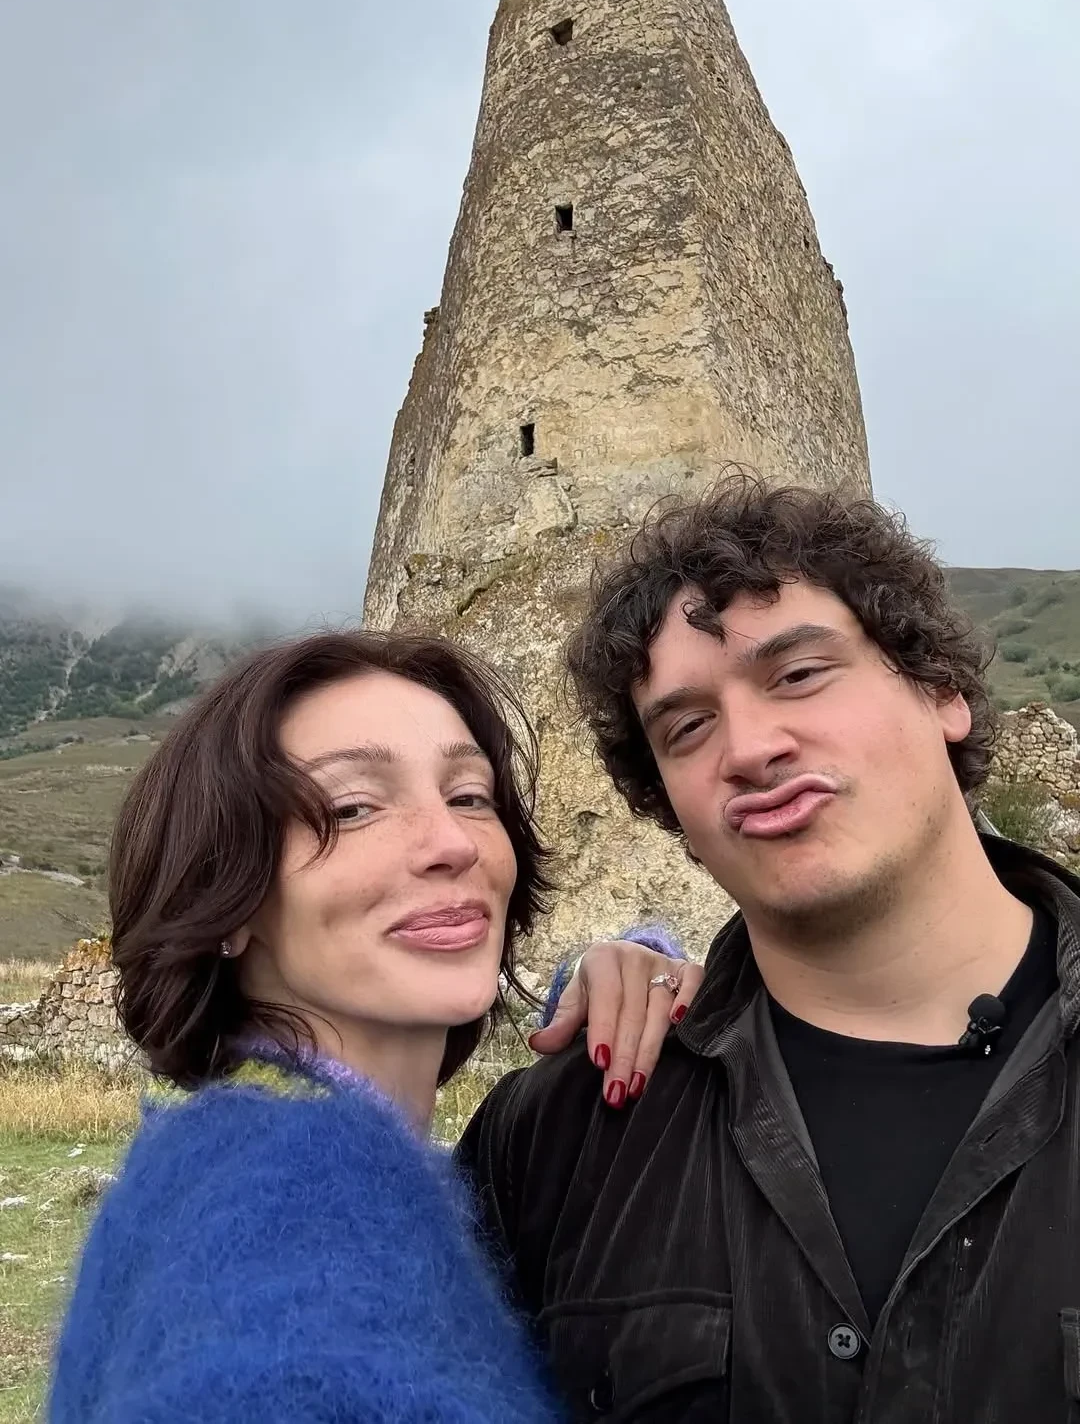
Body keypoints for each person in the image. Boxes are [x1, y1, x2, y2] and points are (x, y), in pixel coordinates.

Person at [458, 476, 1080, 1422]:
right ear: (667, 802)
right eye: (688, 727)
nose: (748, 749)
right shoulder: (560, 1134)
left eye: (798, 674)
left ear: (941, 690)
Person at [49, 630, 699, 1424]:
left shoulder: (257, 1157)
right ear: (226, 897)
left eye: (470, 796)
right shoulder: (281, 1227)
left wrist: (613, 987)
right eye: (352, 808)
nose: (452, 843)